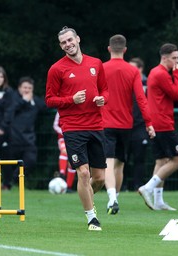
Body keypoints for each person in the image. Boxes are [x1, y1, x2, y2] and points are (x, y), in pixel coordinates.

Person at [45, 26, 108, 231]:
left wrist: (102, 99)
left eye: (70, 40)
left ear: (78, 39)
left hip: (96, 125)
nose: (68, 45)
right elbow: (50, 100)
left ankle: (87, 197)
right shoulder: (56, 69)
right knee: (82, 173)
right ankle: (91, 218)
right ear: (60, 46)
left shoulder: (96, 63)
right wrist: (70, 100)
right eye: (63, 42)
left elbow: (105, 89)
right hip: (72, 127)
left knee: (98, 178)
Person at [102, 35, 155, 214]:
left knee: (108, 161)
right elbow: (141, 99)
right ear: (125, 50)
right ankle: (114, 198)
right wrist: (149, 123)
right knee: (120, 164)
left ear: (109, 49)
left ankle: (112, 198)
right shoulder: (133, 72)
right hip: (126, 124)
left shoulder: (101, 69)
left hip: (106, 122)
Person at [138, 43, 178, 211]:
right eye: (174, 58)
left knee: (161, 160)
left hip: (156, 122)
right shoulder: (162, 73)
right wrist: (177, 74)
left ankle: (158, 200)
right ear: (164, 58)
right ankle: (147, 188)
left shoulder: (155, 72)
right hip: (163, 123)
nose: (177, 62)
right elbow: (177, 94)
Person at [7, 76, 46, 185]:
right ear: (19, 88)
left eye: (29, 88)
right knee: (9, 163)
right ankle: (7, 184)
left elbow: (44, 106)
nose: (27, 90)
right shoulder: (13, 98)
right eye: (24, 87)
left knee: (31, 160)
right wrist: (24, 101)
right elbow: (11, 110)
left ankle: (15, 179)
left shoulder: (35, 100)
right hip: (13, 138)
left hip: (29, 139)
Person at [127, 57, 150, 190]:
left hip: (140, 126)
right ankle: (121, 186)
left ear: (140, 69)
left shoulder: (148, 83)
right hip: (125, 124)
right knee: (122, 158)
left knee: (139, 158)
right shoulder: (125, 82)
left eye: (132, 67)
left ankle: (138, 186)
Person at [52, 112, 76, 192]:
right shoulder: (60, 111)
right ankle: (62, 174)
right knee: (64, 151)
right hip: (63, 138)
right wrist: (64, 132)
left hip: (75, 139)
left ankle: (68, 187)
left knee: (73, 159)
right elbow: (55, 125)